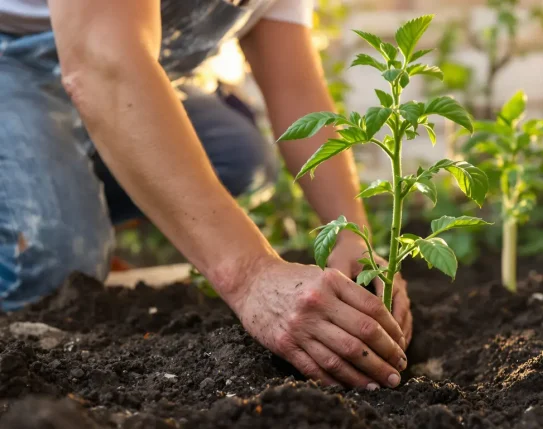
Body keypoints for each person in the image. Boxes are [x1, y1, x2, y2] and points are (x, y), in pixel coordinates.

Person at [0, 0, 412, 391]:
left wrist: (351, 233)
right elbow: (100, 64)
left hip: (119, 59)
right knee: (49, 261)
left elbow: (296, 87)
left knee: (235, 156)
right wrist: (251, 274)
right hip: (20, 54)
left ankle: (57, 190)